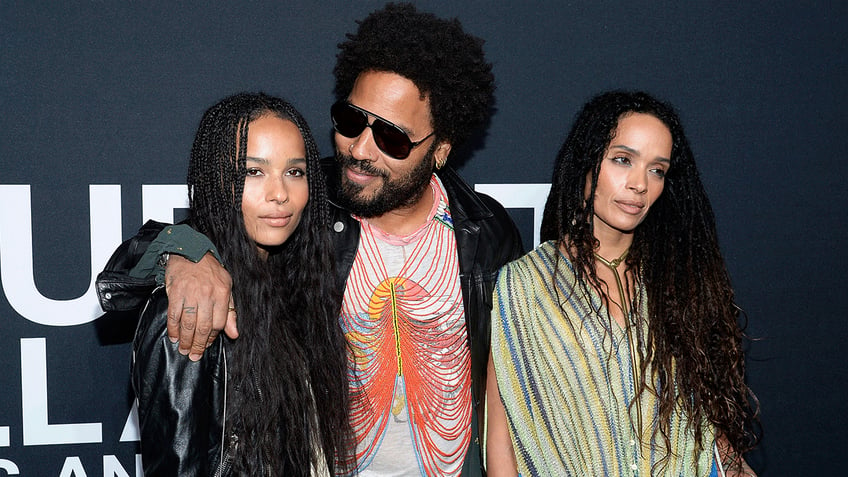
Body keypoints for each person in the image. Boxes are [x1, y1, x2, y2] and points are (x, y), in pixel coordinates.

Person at [96, 4, 523, 476]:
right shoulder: (308, 203)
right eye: (351, 120)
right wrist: (183, 255)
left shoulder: (487, 232)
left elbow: (509, 384)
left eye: (392, 138)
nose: (360, 149)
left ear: (439, 149)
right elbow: (189, 237)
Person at [485, 91, 759, 476]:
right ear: (586, 161)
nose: (639, 184)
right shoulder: (525, 283)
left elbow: (701, 415)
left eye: (656, 170)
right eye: (622, 160)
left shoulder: (677, 277)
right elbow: (503, 431)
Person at [111, 93, 351, 475]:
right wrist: (179, 250)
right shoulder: (194, 302)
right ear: (216, 180)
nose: (280, 194)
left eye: (295, 171)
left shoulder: (298, 284)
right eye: (253, 172)